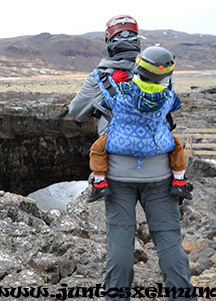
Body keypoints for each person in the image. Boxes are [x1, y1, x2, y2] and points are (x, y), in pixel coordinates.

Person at [68, 15, 196, 300]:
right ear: (138, 41)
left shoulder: (100, 76)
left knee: (120, 247)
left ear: (110, 43)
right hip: (161, 174)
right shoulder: (163, 73)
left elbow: (75, 111)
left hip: (118, 175)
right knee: (169, 243)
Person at [87, 46, 191, 202]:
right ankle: (180, 181)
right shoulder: (168, 97)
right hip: (157, 144)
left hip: (120, 144)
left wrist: (113, 82)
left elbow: (105, 102)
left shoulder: (121, 93)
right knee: (177, 146)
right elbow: (176, 105)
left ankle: (100, 183)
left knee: (97, 148)